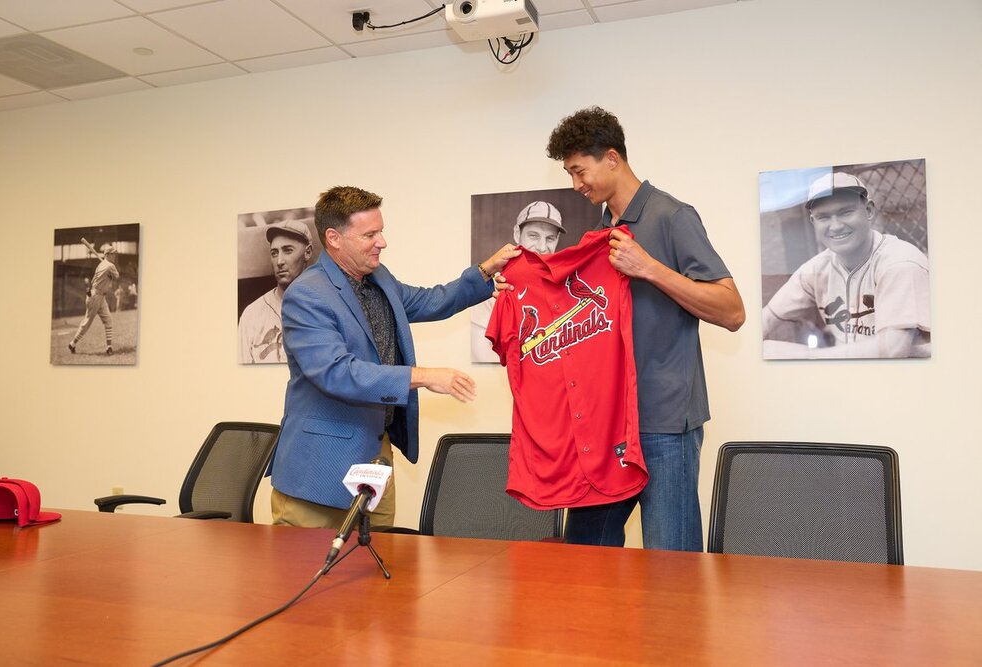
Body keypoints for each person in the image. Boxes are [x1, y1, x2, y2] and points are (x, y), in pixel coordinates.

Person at [545, 106, 745, 550]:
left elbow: (732, 311)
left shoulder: (673, 217)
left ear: (612, 158)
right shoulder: (597, 232)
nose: (577, 185)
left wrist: (651, 268)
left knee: (670, 563)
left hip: (665, 422)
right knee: (584, 552)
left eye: (580, 172)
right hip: (608, 421)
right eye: (571, 175)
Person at [268, 185, 520, 529]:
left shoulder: (378, 278)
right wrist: (424, 376)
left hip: (374, 462)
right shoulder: (306, 296)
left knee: (380, 574)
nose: (382, 242)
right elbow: (339, 373)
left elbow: (431, 301)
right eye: (370, 234)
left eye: (381, 231)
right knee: (310, 577)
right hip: (318, 475)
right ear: (334, 238)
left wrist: (486, 271)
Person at [762, 172, 931, 359]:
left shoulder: (900, 262)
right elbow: (765, 319)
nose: (835, 226)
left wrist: (806, 355)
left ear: (869, 211)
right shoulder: (817, 269)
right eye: (823, 217)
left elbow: (892, 349)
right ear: (813, 222)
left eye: (845, 212)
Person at [470, 200, 566, 362]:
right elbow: (481, 352)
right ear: (517, 234)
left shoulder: (566, 284)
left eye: (550, 238)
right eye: (534, 235)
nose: (542, 247)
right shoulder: (495, 285)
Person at [238, 220, 313, 363]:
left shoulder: (326, 306)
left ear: (307, 252)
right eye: (274, 253)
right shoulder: (252, 314)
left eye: (288, 250)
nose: (279, 261)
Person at [68, 243, 120, 355]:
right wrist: (110, 274)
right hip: (96, 296)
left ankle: (109, 347)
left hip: (99, 296)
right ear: (107, 255)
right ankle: (72, 344)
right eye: (113, 254)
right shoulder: (109, 266)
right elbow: (117, 276)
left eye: (115, 254)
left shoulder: (101, 265)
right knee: (87, 323)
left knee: (108, 320)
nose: (114, 256)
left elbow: (93, 281)